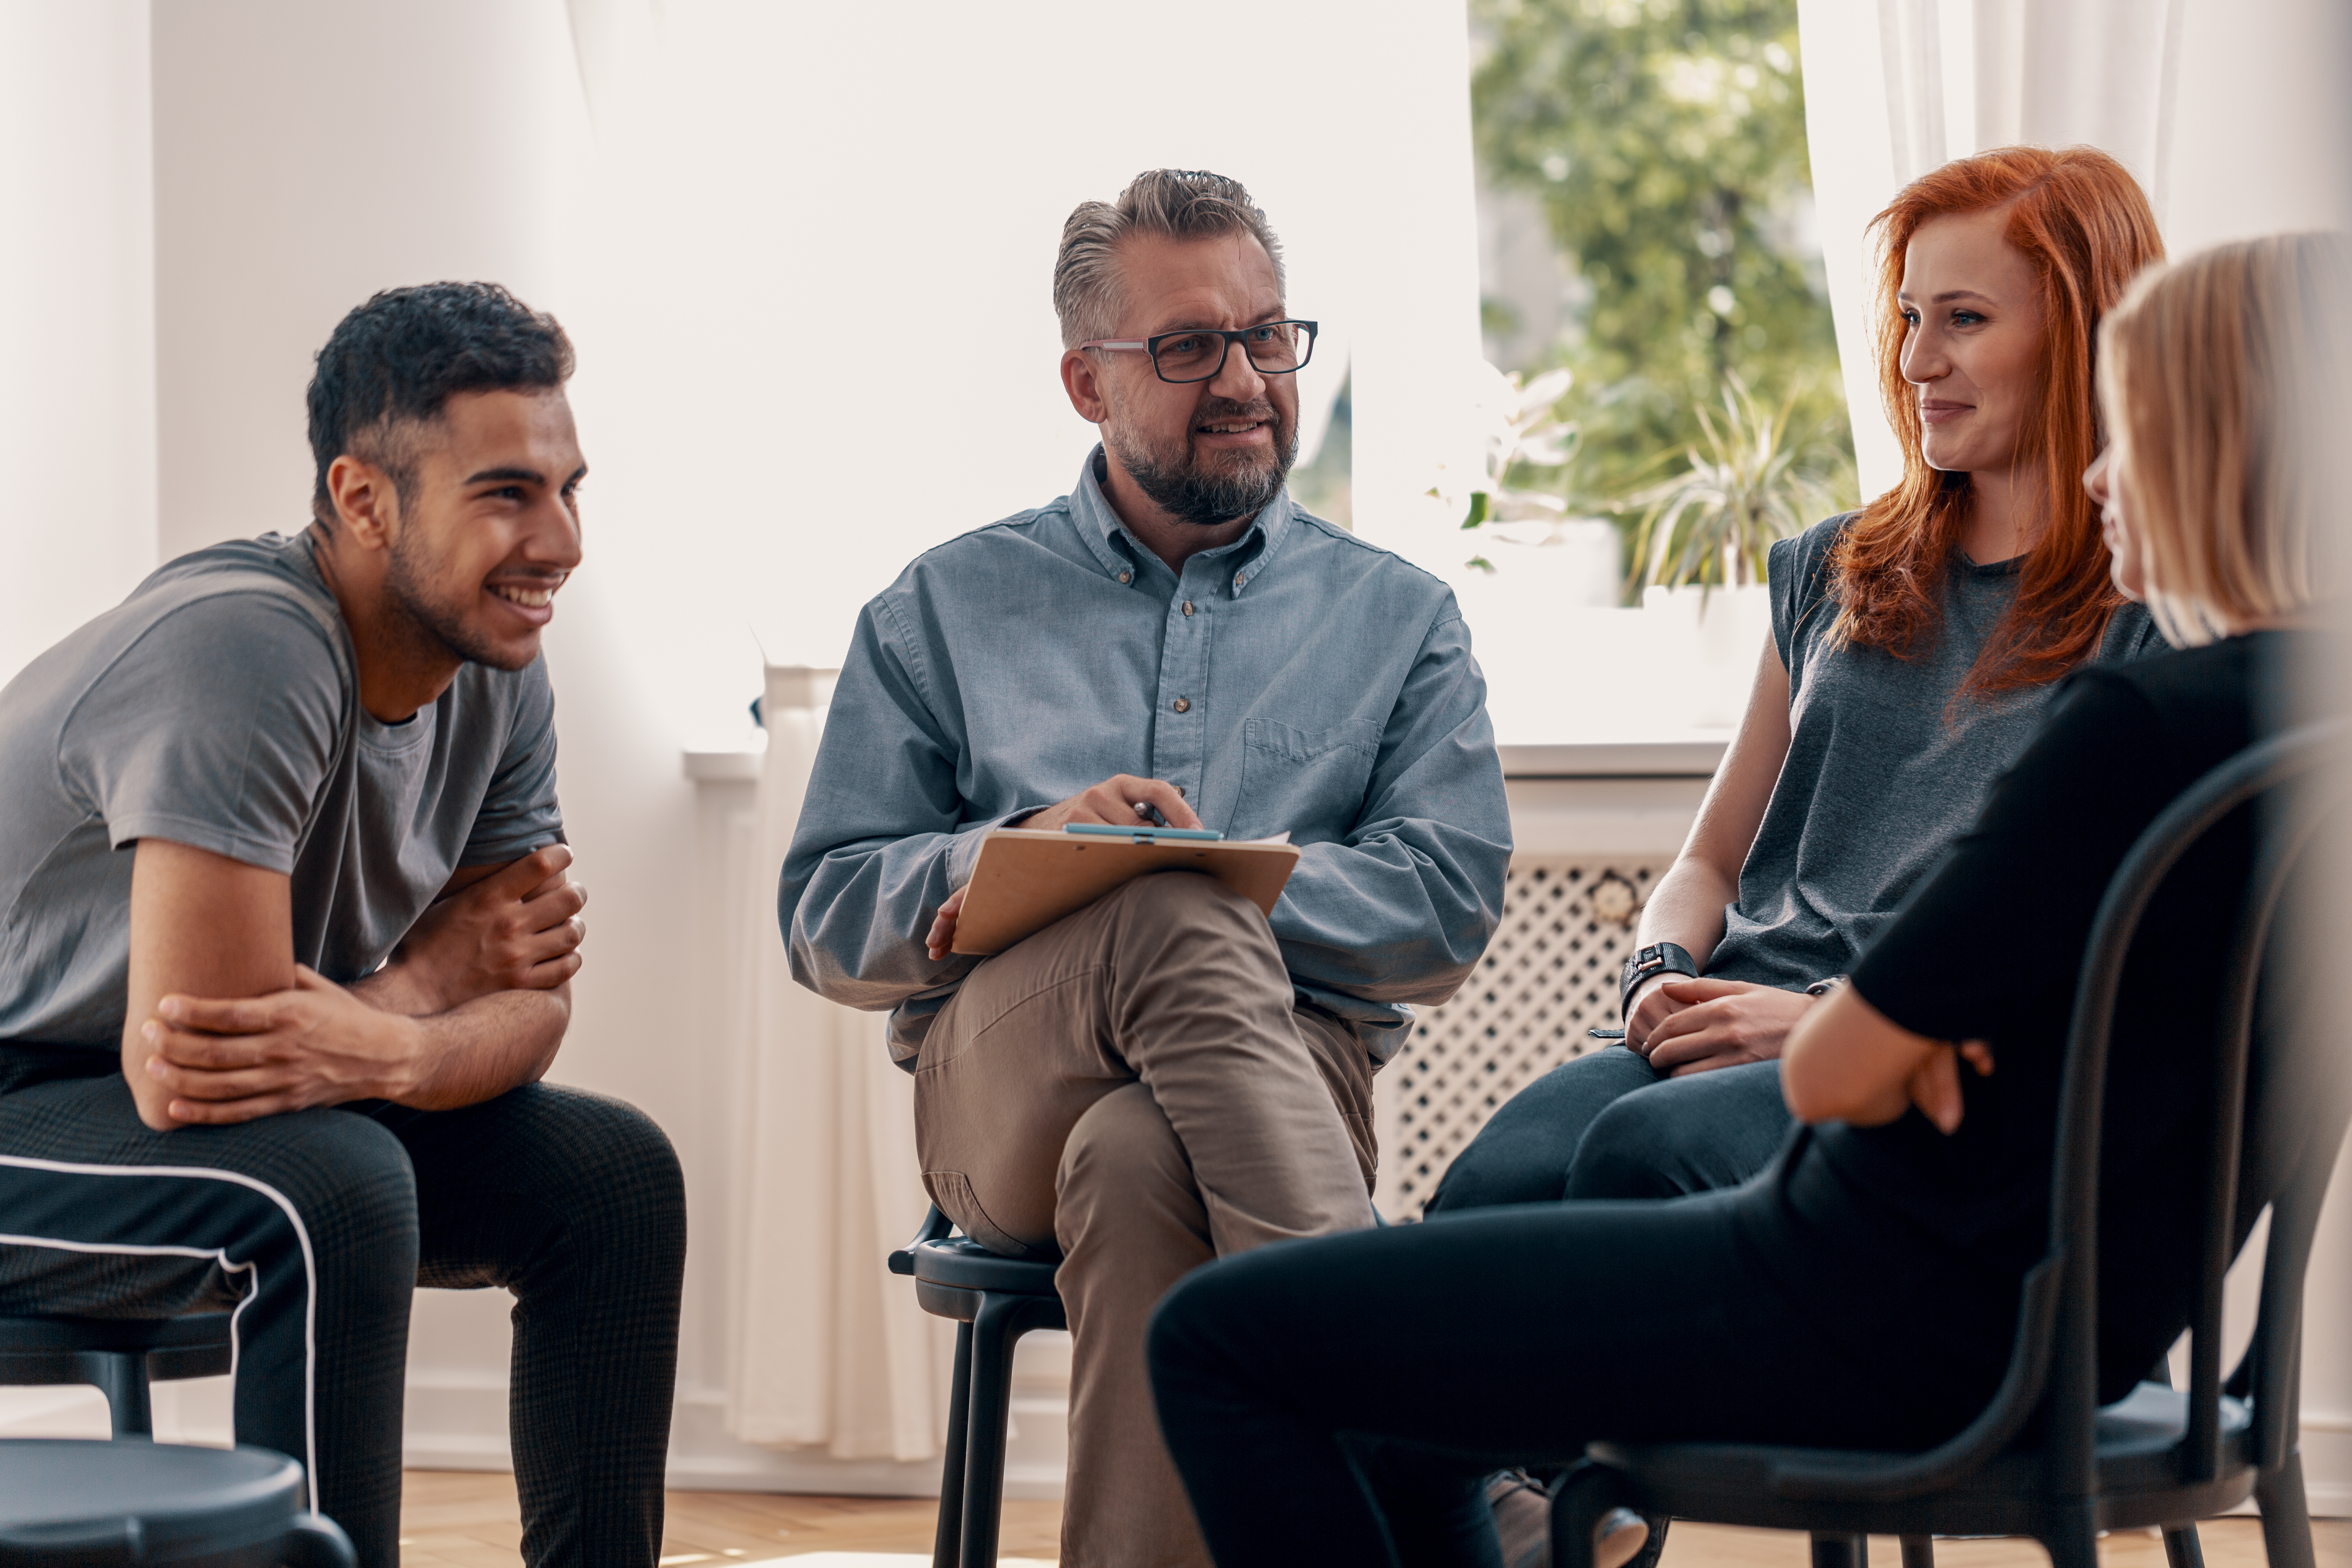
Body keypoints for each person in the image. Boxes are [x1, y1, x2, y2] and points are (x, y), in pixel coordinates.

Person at [1146, 228, 2346, 1568]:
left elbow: (1833, 1072)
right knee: (1412, 1388)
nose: (2106, 473)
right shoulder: (2301, 737)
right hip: (2054, 1321)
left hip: (1858, 1298)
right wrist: (1941, 1038)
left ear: (2237, 453)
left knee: (1217, 1339)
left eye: (2142, 433)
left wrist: (1889, 1040)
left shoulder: (2139, 726)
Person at [779, 168, 1511, 1568]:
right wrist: (1034, 856)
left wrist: (1211, 880)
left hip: (1294, 1089)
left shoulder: (1400, 620)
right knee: (1165, 914)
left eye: (1270, 336)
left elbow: (1445, 906)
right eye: (1189, 348)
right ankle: (1427, 1454)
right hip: (1002, 1090)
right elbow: (822, 916)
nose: (1245, 379)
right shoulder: (941, 608)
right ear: (1086, 381)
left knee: (1138, 1154)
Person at [0, 283, 685, 1568]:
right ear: (365, 500)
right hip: (29, 1101)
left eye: (568, 489)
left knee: (615, 1179)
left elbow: (534, 1002)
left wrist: (404, 1050)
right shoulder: (246, 648)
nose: (561, 543)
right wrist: (428, 982)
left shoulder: (498, 666)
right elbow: (202, 1071)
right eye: (505, 495)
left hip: (164, 1099)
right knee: (331, 1185)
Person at [1430, 146, 2169, 1228]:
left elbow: (2095, 955)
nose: (1918, 362)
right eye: (1910, 318)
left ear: (2087, 331)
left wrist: (1822, 1024)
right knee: (1490, 1189)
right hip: (1719, 1019)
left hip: (1909, 1065)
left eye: (1963, 319)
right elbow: (1712, 859)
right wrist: (1656, 973)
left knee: (1644, 1163)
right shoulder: (1839, 567)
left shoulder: (2147, 615)